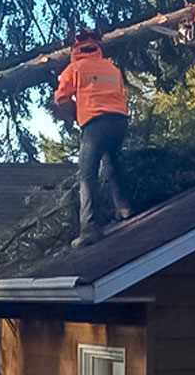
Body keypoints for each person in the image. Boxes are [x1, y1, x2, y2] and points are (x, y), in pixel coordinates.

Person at [54, 27, 133, 247]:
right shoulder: (111, 67)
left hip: (95, 124)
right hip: (119, 121)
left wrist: (71, 109)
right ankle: (125, 209)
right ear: (96, 47)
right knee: (114, 164)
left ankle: (89, 229)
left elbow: (61, 98)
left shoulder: (75, 68)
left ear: (76, 49)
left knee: (87, 174)